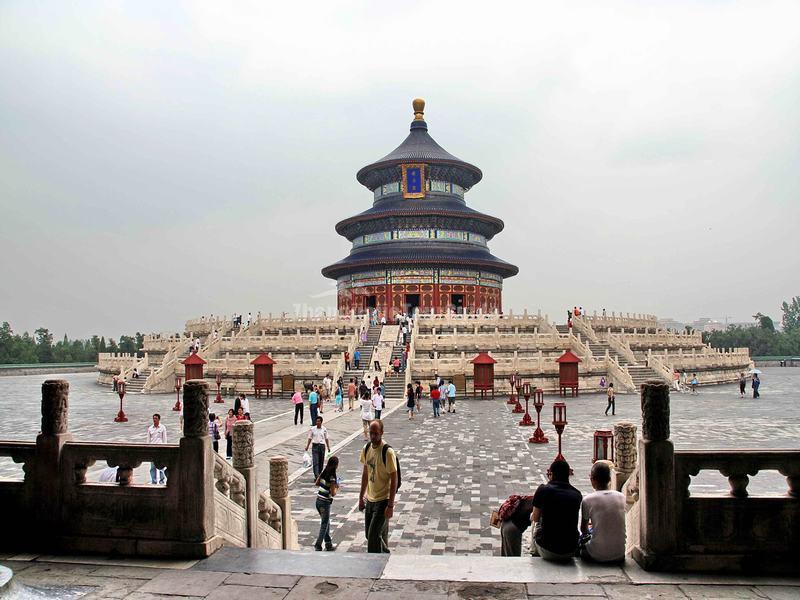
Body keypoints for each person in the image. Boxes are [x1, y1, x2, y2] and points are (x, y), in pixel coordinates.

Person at [359, 420, 398, 553]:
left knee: (373, 536)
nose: (373, 436)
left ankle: (372, 568)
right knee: (369, 535)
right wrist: (361, 497)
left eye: (376, 434)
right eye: (371, 433)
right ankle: (385, 554)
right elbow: (365, 473)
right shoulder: (367, 448)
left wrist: (390, 505)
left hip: (383, 500)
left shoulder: (387, 452)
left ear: (381, 433)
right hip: (370, 499)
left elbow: (394, 479)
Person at [531, 460, 582, 561]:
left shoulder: (543, 490)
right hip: (570, 550)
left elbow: (535, 518)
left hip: (547, 549)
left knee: (533, 520)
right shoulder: (577, 494)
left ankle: (534, 554)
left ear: (552, 474)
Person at [579, 462, 626, 563]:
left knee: (581, 539)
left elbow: (583, 529)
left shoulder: (587, 500)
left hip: (596, 555)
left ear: (592, 480)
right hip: (619, 554)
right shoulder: (621, 497)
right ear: (609, 479)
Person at [314, 455, 339, 551]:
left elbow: (316, 483)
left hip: (318, 501)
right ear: (336, 465)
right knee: (324, 524)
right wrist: (337, 486)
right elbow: (333, 493)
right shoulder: (332, 477)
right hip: (325, 502)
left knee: (326, 521)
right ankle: (318, 544)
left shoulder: (324, 472)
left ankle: (328, 544)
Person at [305, 415, 331, 479]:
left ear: (321, 422)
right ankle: (316, 476)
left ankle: (319, 474)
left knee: (321, 461)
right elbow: (310, 438)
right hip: (315, 446)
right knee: (315, 461)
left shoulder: (324, 429)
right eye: (317, 421)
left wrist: (328, 447)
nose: (317, 422)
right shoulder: (313, 429)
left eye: (319, 421)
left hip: (322, 446)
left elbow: (326, 438)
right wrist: (307, 446)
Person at [146, 414, 168, 485]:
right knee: (153, 467)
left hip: (160, 449)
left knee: (161, 466)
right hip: (152, 449)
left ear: (159, 419)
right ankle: (154, 481)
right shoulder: (150, 428)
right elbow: (148, 440)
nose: (154, 420)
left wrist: (165, 448)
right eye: (153, 418)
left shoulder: (162, 428)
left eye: (156, 418)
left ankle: (162, 480)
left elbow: (164, 439)